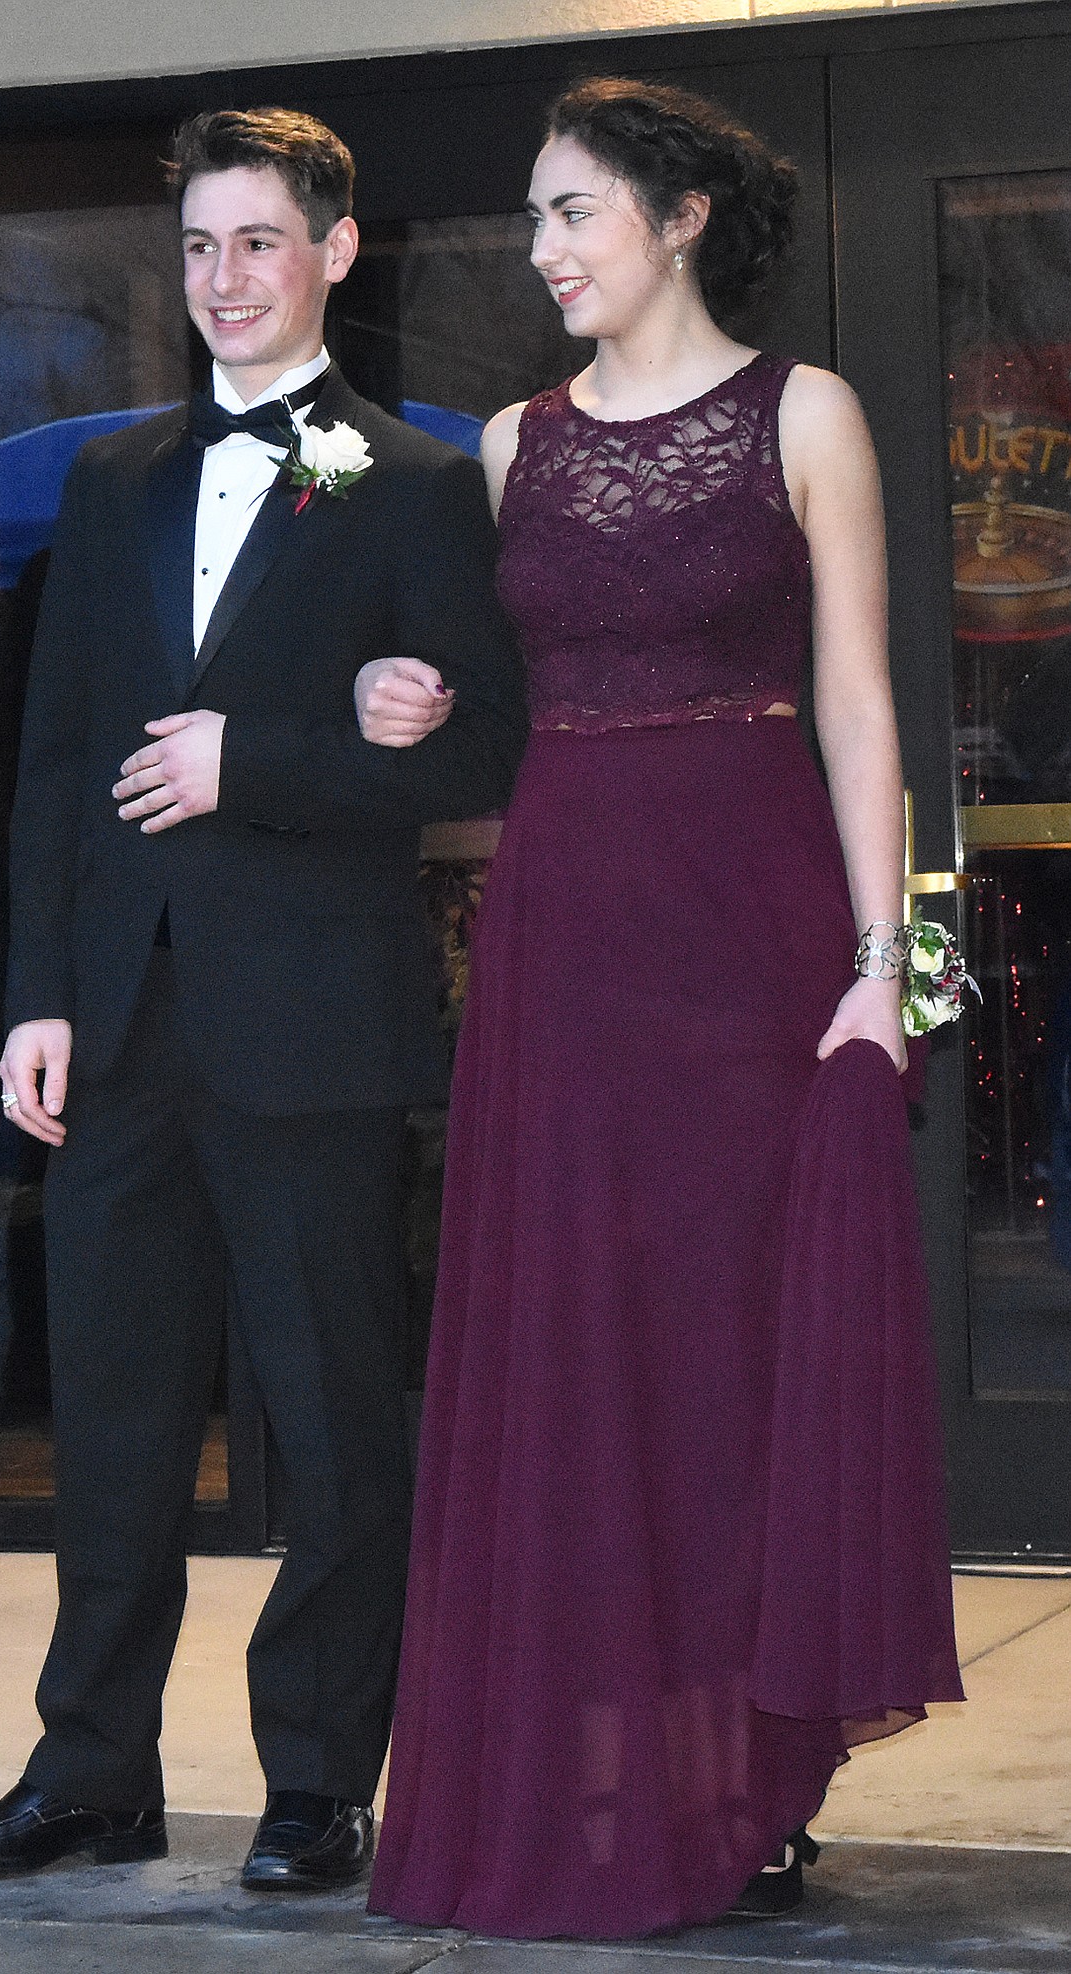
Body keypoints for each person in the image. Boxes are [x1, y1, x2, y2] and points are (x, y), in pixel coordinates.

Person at [0, 106, 526, 1890]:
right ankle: (90, 1771)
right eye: (197, 246)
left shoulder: (413, 480)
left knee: (331, 1421)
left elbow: (485, 741)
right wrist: (34, 994)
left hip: (316, 1027)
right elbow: (49, 772)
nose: (224, 279)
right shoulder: (107, 485)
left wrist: (263, 758)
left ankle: (320, 1782)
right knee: (106, 1421)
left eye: (259, 241)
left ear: (336, 252)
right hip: (115, 1033)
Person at [368, 78, 964, 1940]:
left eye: (569, 215)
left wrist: (883, 972)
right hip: (564, 955)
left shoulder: (808, 413)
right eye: (536, 220)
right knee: (586, 1365)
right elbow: (487, 716)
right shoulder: (503, 446)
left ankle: (745, 1776)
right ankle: (611, 1783)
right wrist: (399, 703)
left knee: (728, 1366)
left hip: (758, 940)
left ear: (678, 215)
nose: (540, 252)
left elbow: (860, 701)